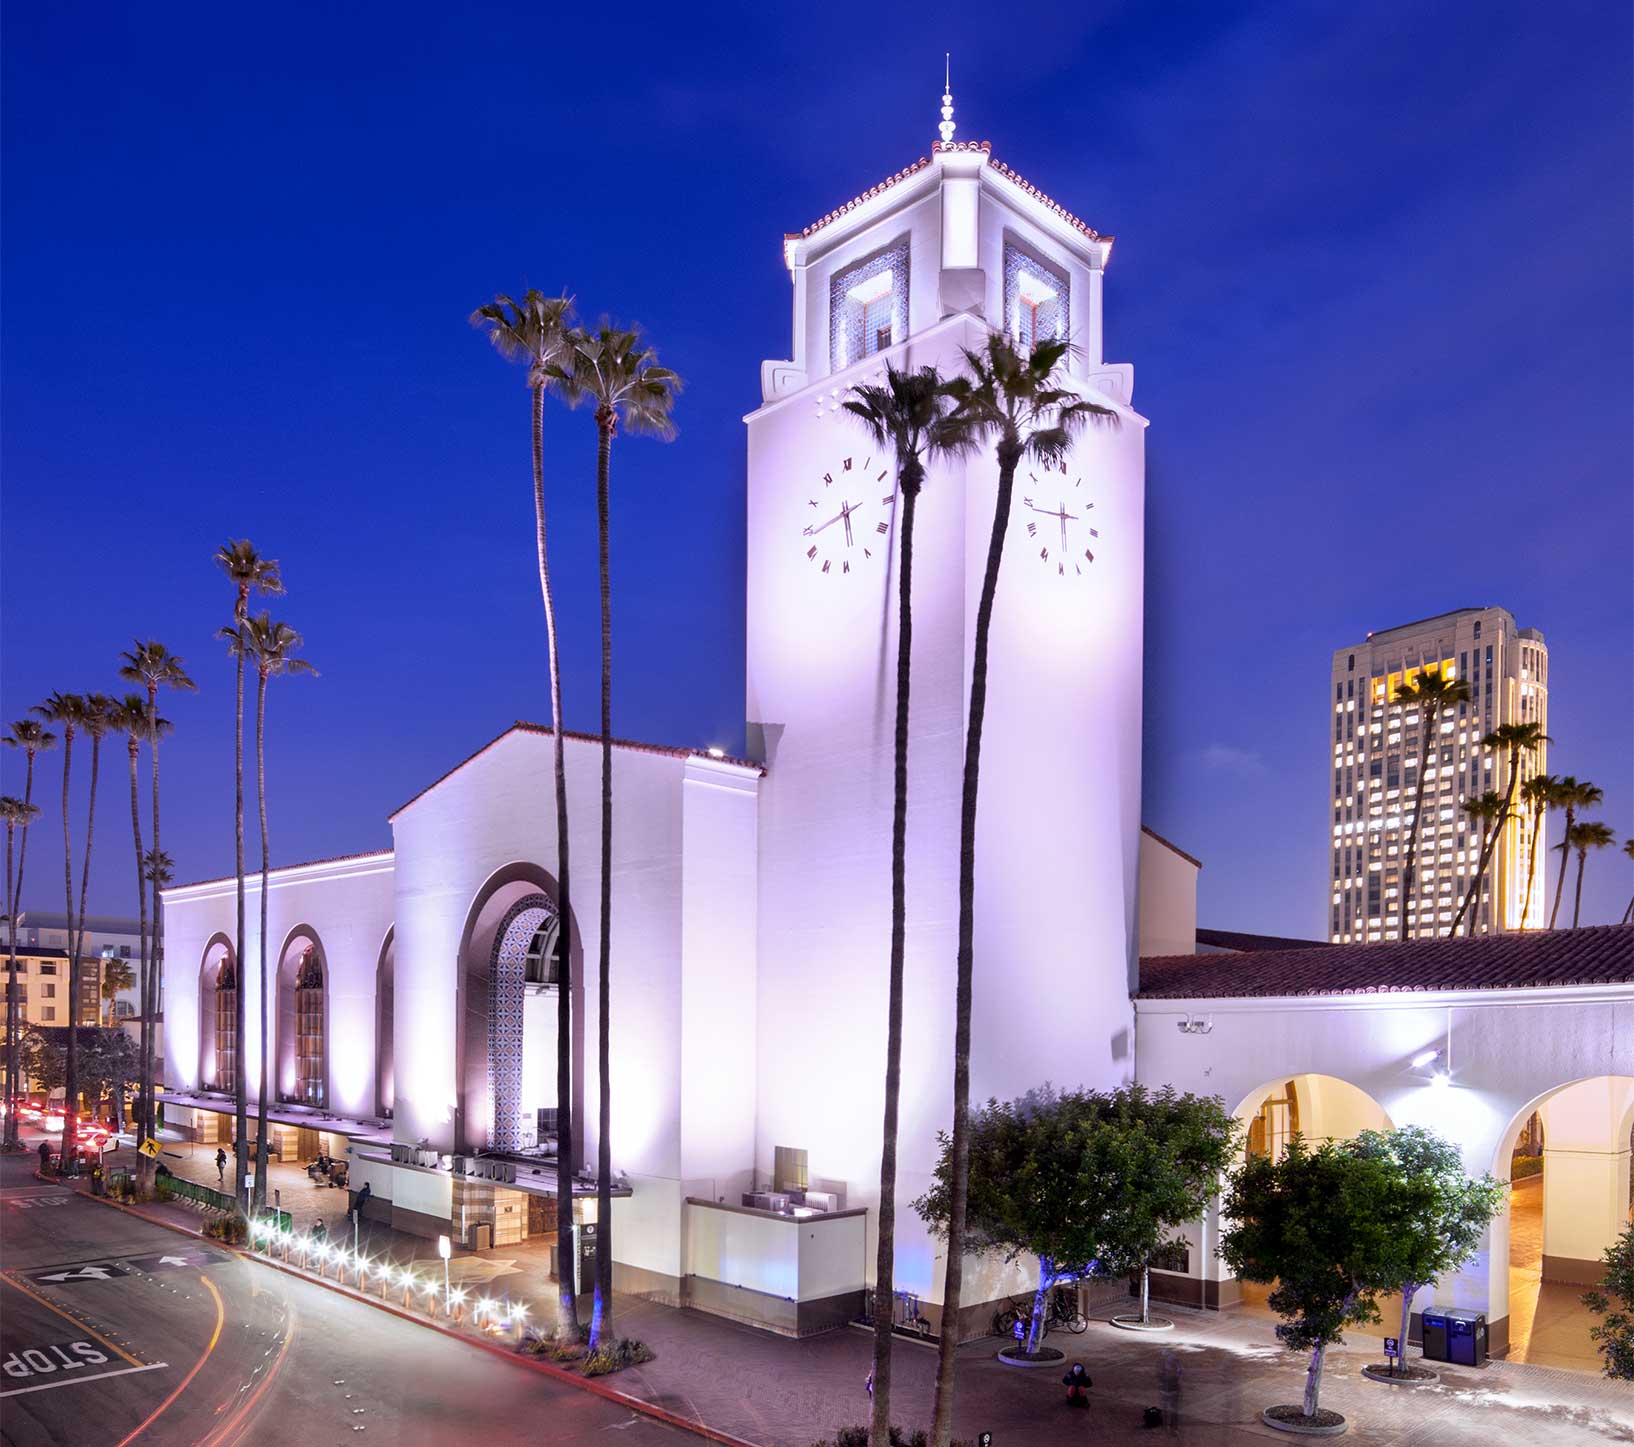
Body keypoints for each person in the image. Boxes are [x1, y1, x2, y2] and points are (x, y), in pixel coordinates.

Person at [1158, 1349, 1181, 1434]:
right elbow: (1179, 1373)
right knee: (1173, 1410)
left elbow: (1160, 1376)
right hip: (1173, 1390)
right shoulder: (1176, 1362)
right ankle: (1174, 1428)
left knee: (1166, 1409)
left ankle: (1167, 1427)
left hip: (1167, 1390)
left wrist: (1161, 1388)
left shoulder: (1163, 1363)